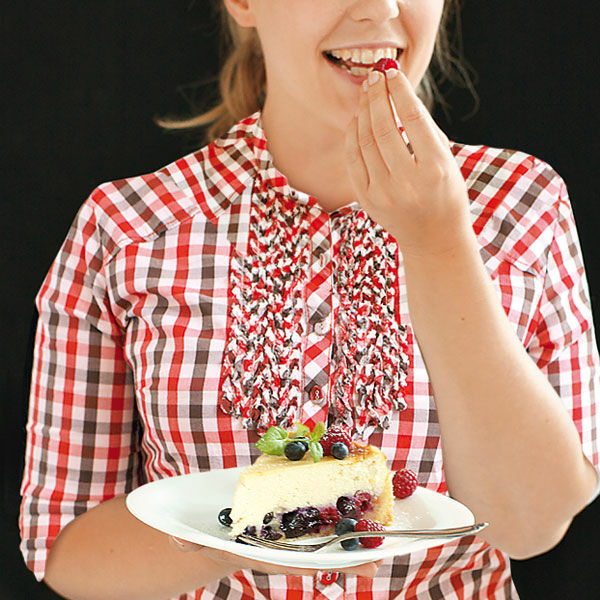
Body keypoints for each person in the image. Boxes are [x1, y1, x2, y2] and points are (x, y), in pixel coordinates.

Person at [19, 1, 600, 599]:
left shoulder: (525, 206)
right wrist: (254, 532)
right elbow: (63, 549)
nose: (380, 8)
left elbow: (533, 527)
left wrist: (440, 244)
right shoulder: (127, 229)